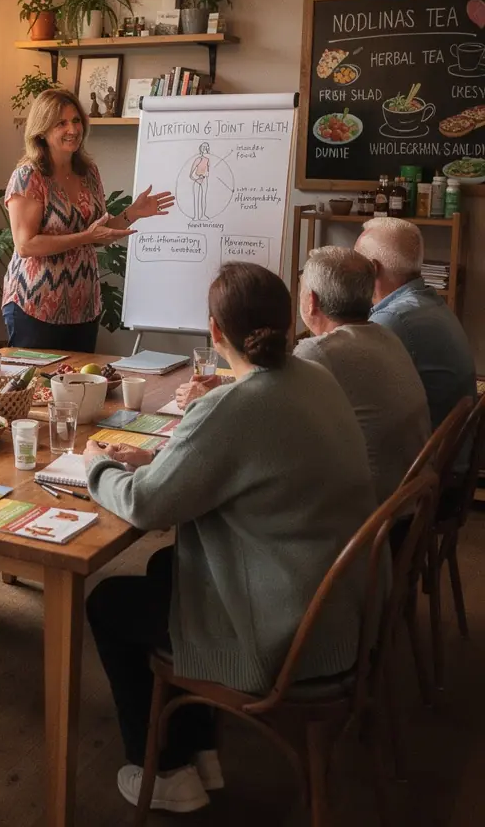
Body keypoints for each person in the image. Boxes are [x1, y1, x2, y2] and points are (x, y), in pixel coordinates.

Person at [83, 263, 375, 813]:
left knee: (107, 603)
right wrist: (157, 458)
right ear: (292, 321)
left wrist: (97, 467)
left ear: (214, 332)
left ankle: (165, 773)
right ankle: (198, 749)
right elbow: (244, 463)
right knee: (166, 570)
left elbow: (146, 505)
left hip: (281, 627)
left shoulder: (233, 406)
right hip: (334, 604)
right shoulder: (314, 375)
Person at [177, 246, 431, 504]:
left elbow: (257, 411)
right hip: (402, 501)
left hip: (362, 511)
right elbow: (269, 388)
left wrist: (205, 401)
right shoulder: (385, 334)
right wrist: (224, 383)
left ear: (311, 301)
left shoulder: (319, 352)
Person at [2, 88, 175, 351]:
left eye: (76, 120)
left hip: (83, 305)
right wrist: (85, 237)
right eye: (61, 123)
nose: (72, 129)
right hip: (35, 305)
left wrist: (132, 214)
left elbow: (99, 232)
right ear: (42, 130)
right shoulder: (29, 176)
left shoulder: (88, 172)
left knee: (80, 389)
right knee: (41, 390)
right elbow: (25, 245)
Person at [354, 217, 476, 430]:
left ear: (373, 269)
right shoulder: (428, 301)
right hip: (451, 452)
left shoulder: (393, 319)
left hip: (425, 459)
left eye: (355, 261)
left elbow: (352, 391)